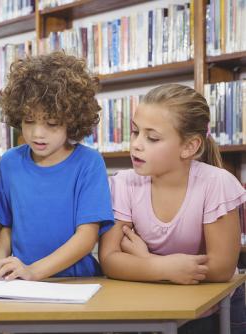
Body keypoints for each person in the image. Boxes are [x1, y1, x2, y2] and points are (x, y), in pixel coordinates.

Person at [100, 84, 246, 334]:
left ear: (189, 146)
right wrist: (165, 269)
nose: (136, 144)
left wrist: (147, 261)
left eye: (152, 138)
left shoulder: (215, 183)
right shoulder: (124, 183)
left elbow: (221, 269)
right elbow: (110, 259)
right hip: (156, 305)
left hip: (219, 310)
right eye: (135, 132)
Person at [0, 52, 114, 281]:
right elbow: (7, 227)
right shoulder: (10, 163)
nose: (37, 133)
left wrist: (34, 271)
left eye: (52, 123)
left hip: (77, 282)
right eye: (28, 121)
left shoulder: (89, 163)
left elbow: (87, 237)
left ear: (72, 120)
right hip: (23, 283)